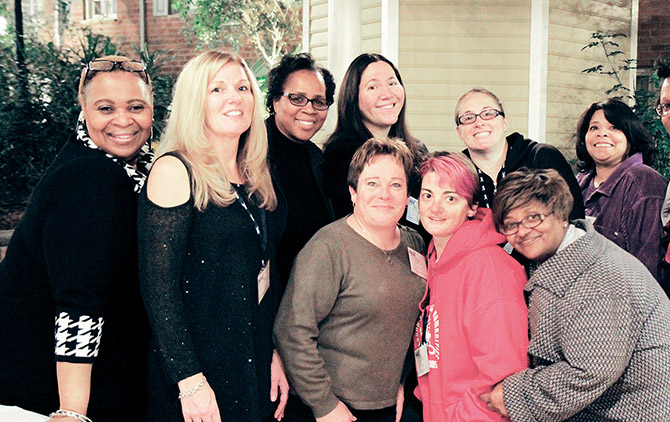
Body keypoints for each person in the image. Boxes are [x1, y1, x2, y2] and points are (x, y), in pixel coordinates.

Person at [0, 55, 154, 421]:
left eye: (136, 106)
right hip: (43, 397)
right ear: (83, 110)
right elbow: (78, 304)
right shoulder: (88, 180)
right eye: (106, 108)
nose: (123, 120)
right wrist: (71, 411)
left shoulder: (130, 169)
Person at [138, 50, 288, 422]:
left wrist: (272, 352)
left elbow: (264, 274)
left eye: (242, 87)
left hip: (249, 358)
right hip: (198, 370)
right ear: (194, 102)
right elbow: (159, 293)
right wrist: (189, 380)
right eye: (216, 89)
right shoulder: (175, 170)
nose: (234, 98)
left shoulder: (255, 175)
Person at [481, 168, 670, 421]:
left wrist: (514, 396)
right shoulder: (559, 255)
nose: (523, 231)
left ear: (561, 215)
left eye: (534, 217)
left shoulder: (599, 276)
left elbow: (590, 371)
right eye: (511, 224)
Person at [274, 138, 426, 422]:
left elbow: (416, 323)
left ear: (408, 196)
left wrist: (402, 378)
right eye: (372, 184)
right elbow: (292, 331)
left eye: (395, 185)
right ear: (353, 192)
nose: (385, 194)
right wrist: (325, 405)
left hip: (385, 406)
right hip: (330, 409)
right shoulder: (328, 248)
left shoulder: (415, 245)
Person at [413, 152, 528, 421]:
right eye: (428, 195)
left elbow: (504, 377)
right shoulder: (434, 255)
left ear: (473, 206)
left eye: (450, 198)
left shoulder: (488, 269)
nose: (435, 208)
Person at [322, 53, 427, 226]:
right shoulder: (342, 155)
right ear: (353, 97)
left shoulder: (417, 150)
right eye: (373, 87)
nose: (387, 94)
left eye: (392, 83)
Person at [575, 98, 668, 285]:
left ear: (630, 137)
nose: (602, 134)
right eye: (594, 128)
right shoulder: (578, 183)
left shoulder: (644, 183)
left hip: (626, 304)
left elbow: (647, 269)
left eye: (614, 128)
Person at [455, 88, 584, 220]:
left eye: (488, 114)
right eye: (468, 118)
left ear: (505, 121)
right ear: (459, 131)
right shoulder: (455, 174)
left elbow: (574, 222)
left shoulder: (542, 158)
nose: (479, 123)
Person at [265, 52, 336, 291]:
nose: (310, 109)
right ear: (275, 100)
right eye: (297, 98)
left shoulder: (320, 160)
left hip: (311, 297)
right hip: (265, 302)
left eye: (319, 101)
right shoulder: (248, 154)